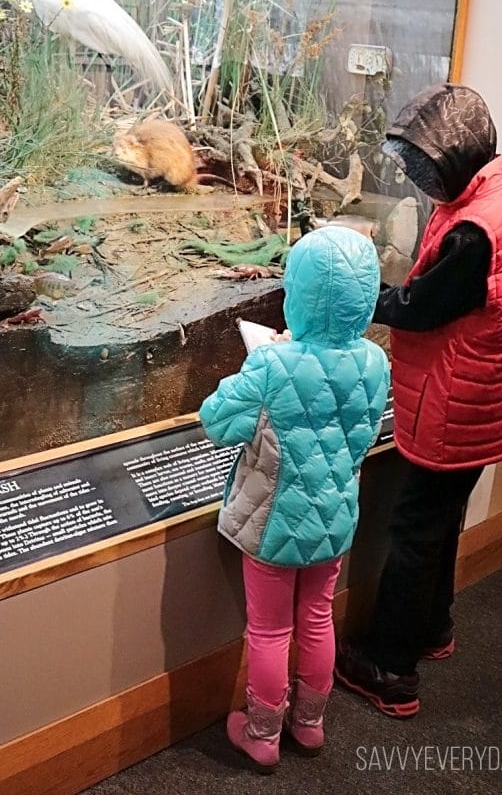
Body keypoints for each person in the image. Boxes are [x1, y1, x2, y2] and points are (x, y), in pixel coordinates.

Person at [334, 83, 502, 718]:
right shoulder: (490, 192)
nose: (413, 175)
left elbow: (422, 310)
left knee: (415, 530)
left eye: (420, 165)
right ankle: (432, 628)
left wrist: (362, 297)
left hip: (461, 401)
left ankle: (390, 668)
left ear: (454, 157)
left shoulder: (472, 233)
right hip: (483, 394)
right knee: (441, 519)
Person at [199, 226, 390, 773]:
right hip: (334, 518)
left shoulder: (272, 364)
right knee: (317, 616)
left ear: (297, 294)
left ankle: (261, 733)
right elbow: (365, 428)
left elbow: (216, 421)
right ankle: (309, 722)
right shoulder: (376, 361)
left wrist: (275, 354)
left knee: (268, 629)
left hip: (272, 524)